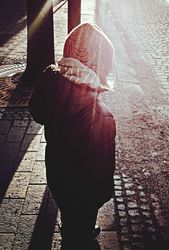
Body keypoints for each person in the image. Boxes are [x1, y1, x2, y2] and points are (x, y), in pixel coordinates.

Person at [29, 23, 116, 249]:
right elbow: (102, 168)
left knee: (70, 217)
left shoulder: (53, 90)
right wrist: (103, 195)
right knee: (81, 232)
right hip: (86, 191)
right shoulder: (101, 116)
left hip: (59, 178)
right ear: (101, 66)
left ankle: (70, 232)